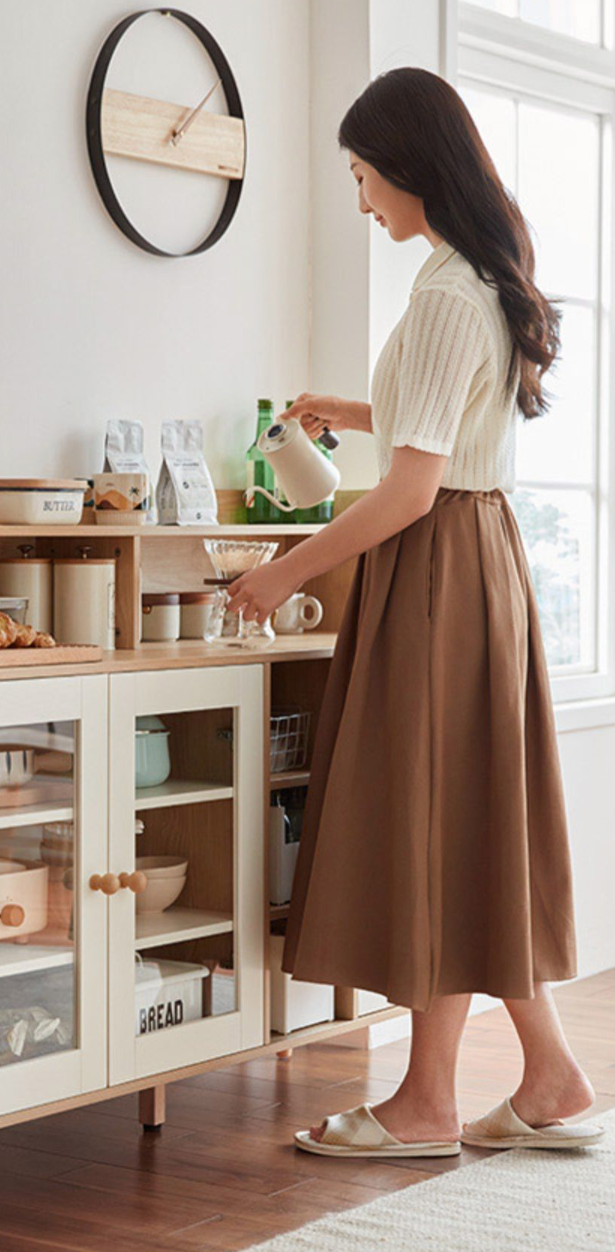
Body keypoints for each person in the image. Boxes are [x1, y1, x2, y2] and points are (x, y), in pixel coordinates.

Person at [226, 67, 604, 1159]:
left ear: (405, 167)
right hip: (469, 563)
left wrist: (280, 570)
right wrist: (353, 407)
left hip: (434, 566)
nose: (358, 201)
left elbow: (407, 489)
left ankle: (428, 1103)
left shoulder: (441, 293)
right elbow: (446, 430)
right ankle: (545, 1077)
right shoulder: (473, 277)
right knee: (464, 823)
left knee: (435, 821)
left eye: (359, 175)